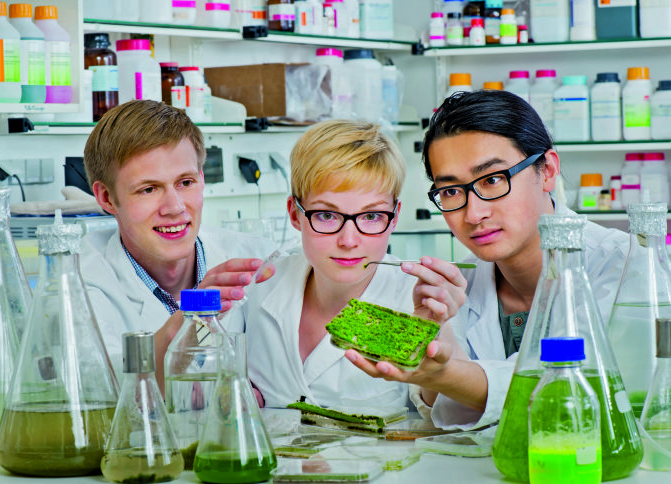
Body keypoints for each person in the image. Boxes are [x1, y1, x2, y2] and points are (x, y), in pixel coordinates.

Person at [347, 90, 629, 429]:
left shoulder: (626, 266)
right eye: (451, 191)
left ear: (548, 170)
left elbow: (581, 396)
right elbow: (447, 414)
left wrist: (448, 375)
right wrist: (437, 350)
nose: (473, 213)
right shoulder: (458, 285)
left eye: (493, 180)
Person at [226, 119, 468, 409]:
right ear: (295, 214)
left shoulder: (421, 301)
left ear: (395, 217)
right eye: (327, 216)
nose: (349, 240)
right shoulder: (261, 287)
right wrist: (230, 394)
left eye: (371, 217)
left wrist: (435, 350)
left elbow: (451, 415)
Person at [81, 100, 276, 390]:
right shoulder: (80, 285)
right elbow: (104, 393)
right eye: (148, 189)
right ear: (107, 198)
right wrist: (190, 319)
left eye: (185, 183)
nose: (174, 207)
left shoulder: (256, 259)